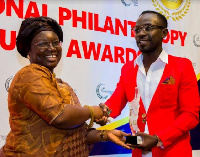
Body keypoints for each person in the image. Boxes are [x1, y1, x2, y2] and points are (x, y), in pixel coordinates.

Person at [0, 16, 132, 157]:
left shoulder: (61, 85)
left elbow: (74, 133)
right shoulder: (29, 74)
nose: (52, 48)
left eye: (56, 43)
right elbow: (60, 117)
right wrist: (93, 111)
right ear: (27, 50)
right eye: (42, 44)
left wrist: (105, 134)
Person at [98, 10, 200, 157]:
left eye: (148, 27)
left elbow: (190, 115)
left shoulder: (182, 66)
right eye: (137, 29)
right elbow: (115, 102)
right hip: (138, 151)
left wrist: (158, 139)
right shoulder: (128, 69)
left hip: (173, 151)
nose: (141, 33)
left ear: (164, 33)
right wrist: (102, 113)